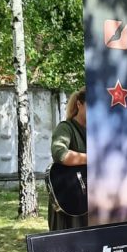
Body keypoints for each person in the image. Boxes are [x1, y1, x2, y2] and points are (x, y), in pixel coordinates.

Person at [47, 88, 87, 231]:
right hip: (68, 200)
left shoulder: (97, 132)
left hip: (88, 201)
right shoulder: (65, 128)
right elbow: (60, 154)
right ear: (79, 104)